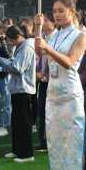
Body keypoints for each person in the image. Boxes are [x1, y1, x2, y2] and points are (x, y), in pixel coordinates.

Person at [35, 0, 86, 170]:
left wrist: (49, 49)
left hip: (70, 96)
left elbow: (71, 62)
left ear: (71, 12)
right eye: (54, 11)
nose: (56, 14)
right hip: (53, 94)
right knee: (55, 144)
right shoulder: (54, 35)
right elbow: (39, 52)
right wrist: (38, 29)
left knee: (72, 144)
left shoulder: (80, 36)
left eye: (60, 10)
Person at [0, 25, 36, 163]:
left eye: (10, 40)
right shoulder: (20, 47)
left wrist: (0, 60)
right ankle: (17, 150)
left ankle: (26, 154)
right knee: (16, 122)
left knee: (24, 123)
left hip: (24, 90)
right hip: (17, 89)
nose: (9, 43)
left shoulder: (26, 47)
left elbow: (18, 67)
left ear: (18, 37)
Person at [36, 13, 56, 152]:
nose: (45, 22)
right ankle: (43, 141)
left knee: (52, 113)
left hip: (53, 81)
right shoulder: (43, 36)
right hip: (42, 81)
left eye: (47, 20)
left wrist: (46, 73)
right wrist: (38, 27)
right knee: (42, 111)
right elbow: (38, 53)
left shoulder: (56, 37)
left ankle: (52, 141)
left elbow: (53, 58)